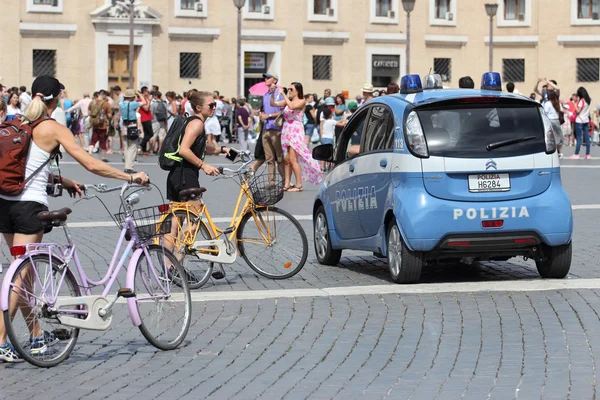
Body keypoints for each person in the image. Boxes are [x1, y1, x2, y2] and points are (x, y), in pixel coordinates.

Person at [0, 76, 149, 363]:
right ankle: (1, 338)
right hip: (29, 208)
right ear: (55, 100)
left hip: (5, 205)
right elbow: (91, 163)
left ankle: (35, 335)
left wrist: (61, 179)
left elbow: (26, 166)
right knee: (20, 278)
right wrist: (130, 176)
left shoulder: (19, 124)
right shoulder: (51, 128)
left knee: (25, 276)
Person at [166, 91, 231, 202]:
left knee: (177, 216)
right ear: (199, 107)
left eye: (214, 104)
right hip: (185, 175)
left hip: (178, 173)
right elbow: (184, 150)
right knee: (195, 212)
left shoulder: (193, 121)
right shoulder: (197, 124)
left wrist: (222, 149)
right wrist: (204, 165)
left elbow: (200, 148)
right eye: (211, 105)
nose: (214, 108)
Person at [271, 82, 322, 192]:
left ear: (297, 91)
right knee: (287, 160)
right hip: (287, 130)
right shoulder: (288, 100)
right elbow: (273, 104)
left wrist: (283, 94)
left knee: (293, 159)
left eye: (291, 89)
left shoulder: (302, 101)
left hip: (296, 130)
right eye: (288, 89)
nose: (289, 91)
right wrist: (272, 93)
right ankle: (286, 184)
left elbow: (292, 106)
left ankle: (299, 185)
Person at [259, 73, 285, 184]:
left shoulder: (280, 94)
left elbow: (284, 111)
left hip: (276, 129)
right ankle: (271, 182)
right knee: (269, 159)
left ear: (274, 80)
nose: (265, 79)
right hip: (266, 128)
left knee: (280, 158)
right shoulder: (265, 95)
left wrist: (268, 116)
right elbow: (266, 111)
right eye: (265, 77)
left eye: (268, 77)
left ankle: (285, 181)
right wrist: (261, 114)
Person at [119, 89, 147, 173]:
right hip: (132, 126)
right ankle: (129, 166)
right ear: (132, 97)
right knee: (133, 147)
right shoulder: (133, 104)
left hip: (124, 126)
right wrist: (139, 93)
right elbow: (144, 102)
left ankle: (126, 165)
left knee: (126, 146)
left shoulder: (121, 104)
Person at [88, 91, 112, 162]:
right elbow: (109, 115)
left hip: (94, 124)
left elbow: (89, 113)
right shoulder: (106, 104)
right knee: (103, 140)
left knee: (93, 139)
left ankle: (89, 152)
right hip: (103, 124)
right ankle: (103, 157)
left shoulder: (92, 103)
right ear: (103, 95)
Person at [570, 87, 592, 159]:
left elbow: (578, 111)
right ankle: (587, 154)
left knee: (579, 138)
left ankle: (576, 154)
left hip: (579, 121)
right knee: (587, 137)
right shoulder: (589, 100)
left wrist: (575, 104)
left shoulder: (582, 100)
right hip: (586, 120)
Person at [544, 91, 563, 158]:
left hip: (550, 120)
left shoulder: (547, 103)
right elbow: (561, 111)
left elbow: (545, 112)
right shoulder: (557, 103)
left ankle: (553, 152)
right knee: (558, 136)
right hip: (556, 120)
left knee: (551, 136)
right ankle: (560, 152)